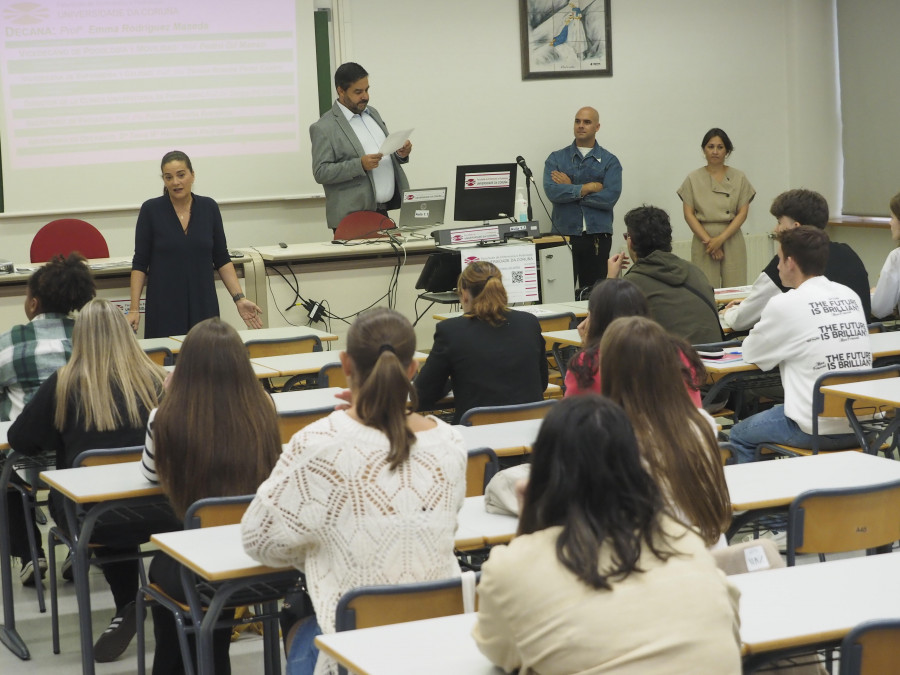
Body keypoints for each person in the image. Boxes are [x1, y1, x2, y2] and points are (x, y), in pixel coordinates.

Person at [242, 308, 467, 675]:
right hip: (437, 648)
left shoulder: (318, 444)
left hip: (354, 652)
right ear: (412, 370)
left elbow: (258, 539)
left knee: (297, 611)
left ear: (345, 364)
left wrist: (323, 544)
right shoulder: (451, 443)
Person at [472, 395, 742, 674]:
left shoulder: (512, 566)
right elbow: (731, 620)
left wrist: (528, 521)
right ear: (637, 466)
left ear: (543, 470)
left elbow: (500, 650)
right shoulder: (685, 540)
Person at [8, 298, 173, 663]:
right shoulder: (158, 379)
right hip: (166, 511)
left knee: (99, 507)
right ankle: (167, 601)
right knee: (124, 502)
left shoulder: (64, 383)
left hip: (95, 521)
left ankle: (128, 603)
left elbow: (21, 439)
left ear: (79, 338)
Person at [140, 317, 281, 675]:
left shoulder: (165, 417)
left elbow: (149, 476)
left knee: (163, 571)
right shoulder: (264, 407)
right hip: (261, 556)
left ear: (183, 367)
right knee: (204, 595)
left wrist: (167, 398)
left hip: (198, 563)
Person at [728, 226, 872, 463]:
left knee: (738, 435)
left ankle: (764, 499)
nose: (777, 266)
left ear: (791, 262)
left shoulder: (785, 303)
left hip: (813, 426)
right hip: (862, 423)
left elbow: (752, 351)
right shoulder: (849, 295)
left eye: (779, 259)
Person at [600, 316, 729, 547]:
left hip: (655, 561)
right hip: (708, 552)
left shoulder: (609, 434)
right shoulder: (702, 421)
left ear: (609, 370)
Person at [128, 150, 262, 339]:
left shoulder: (209, 208)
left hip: (203, 304)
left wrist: (239, 298)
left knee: (207, 361)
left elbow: (222, 258)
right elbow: (140, 263)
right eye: (169, 177)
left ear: (192, 175)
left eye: (181, 175)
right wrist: (134, 309)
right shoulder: (151, 210)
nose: (175, 182)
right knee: (168, 363)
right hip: (164, 306)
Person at [414, 261, 549, 423]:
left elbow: (424, 394)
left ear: (464, 293)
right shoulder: (529, 323)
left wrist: (451, 381)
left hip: (477, 435)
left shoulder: (451, 331)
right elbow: (542, 383)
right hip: (531, 431)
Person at [722, 188, 871, 332]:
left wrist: (730, 311)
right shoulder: (848, 253)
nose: (776, 229)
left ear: (796, 227)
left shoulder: (787, 262)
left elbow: (740, 320)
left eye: (780, 222)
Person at [565, 280, 705, 405]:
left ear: (596, 320)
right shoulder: (680, 353)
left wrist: (587, 347)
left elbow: (572, 421)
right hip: (684, 432)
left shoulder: (588, 365)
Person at [310, 62, 412, 232]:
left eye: (367, 90)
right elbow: (321, 172)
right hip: (352, 218)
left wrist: (400, 153)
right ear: (341, 91)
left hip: (382, 212)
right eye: (358, 92)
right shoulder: (324, 127)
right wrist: (360, 165)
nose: (365, 96)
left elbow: (384, 154)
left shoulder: (373, 113)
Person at [0, 253, 95, 421]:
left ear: (33, 304)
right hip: (81, 444)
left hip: (24, 444)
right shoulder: (91, 338)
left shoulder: (9, 342)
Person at [608, 205, 723, 344]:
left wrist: (610, 281)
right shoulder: (695, 271)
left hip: (672, 362)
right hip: (715, 357)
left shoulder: (631, 284)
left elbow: (604, 330)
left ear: (631, 242)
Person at [543, 106, 623, 291]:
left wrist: (571, 189)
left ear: (597, 127)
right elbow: (552, 192)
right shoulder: (556, 159)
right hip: (563, 235)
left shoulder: (610, 161)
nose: (581, 126)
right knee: (559, 294)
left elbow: (609, 198)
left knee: (595, 296)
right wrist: (588, 187)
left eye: (587, 122)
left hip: (597, 237)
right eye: (577, 121)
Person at [677, 128, 755, 287]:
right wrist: (711, 243)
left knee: (735, 288)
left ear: (727, 151)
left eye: (720, 147)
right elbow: (688, 214)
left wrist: (720, 240)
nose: (715, 151)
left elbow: (742, 213)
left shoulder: (739, 177)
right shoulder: (693, 178)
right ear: (703, 150)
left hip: (731, 236)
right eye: (710, 146)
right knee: (705, 288)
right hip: (703, 240)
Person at [868, 191, 900, 318]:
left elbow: (879, 309)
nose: (890, 223)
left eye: (892, 217)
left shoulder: (897, 257)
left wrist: (872, 294)